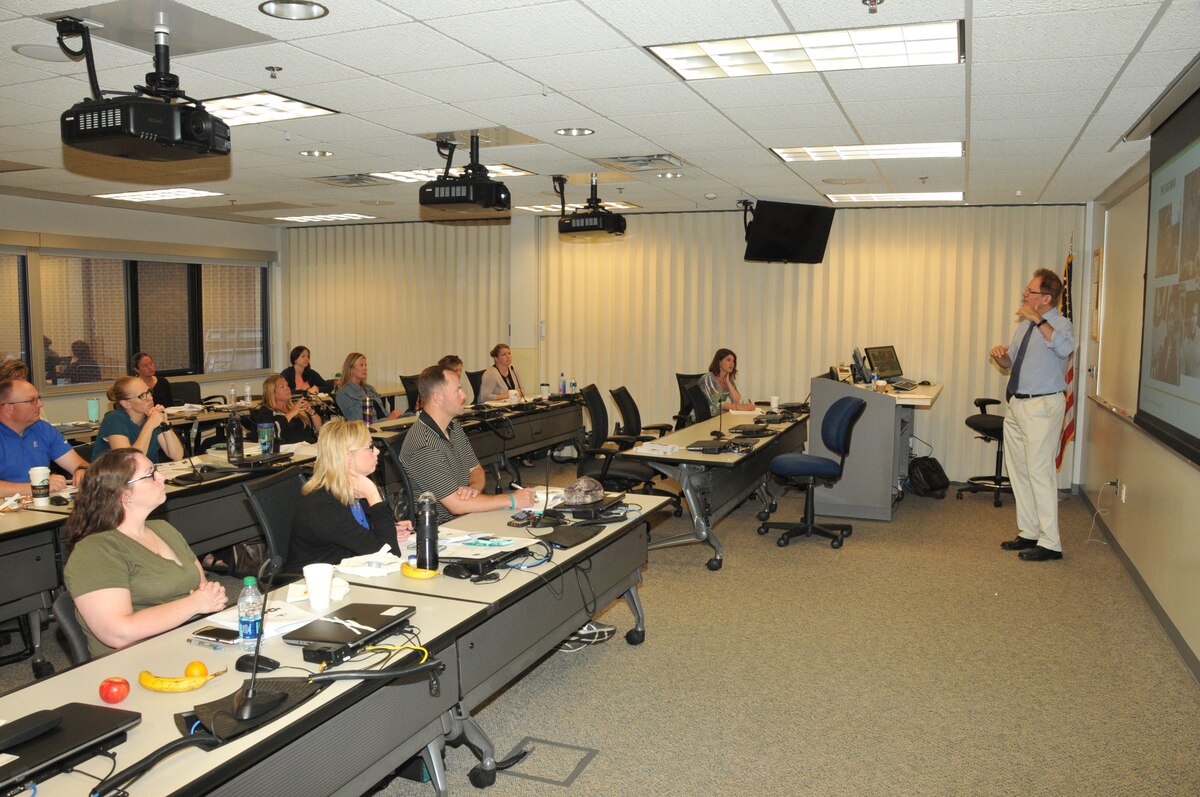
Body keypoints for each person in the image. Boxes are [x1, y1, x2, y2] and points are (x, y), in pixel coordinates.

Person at [401, 365, 615, 650]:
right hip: (443, 535)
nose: (465, 395)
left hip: (467, 519)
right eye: (458, 390)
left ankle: (567, 621)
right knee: (524, 553)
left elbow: (477, 472)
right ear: (438, 398)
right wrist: (512, 499)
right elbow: (452, 504)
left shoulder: (452, 427)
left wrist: (472, 490)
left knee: (541, 540)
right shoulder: (422, 443)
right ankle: (558, 628)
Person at [63, 449, 227, 656]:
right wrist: (195, 603)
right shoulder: (95, 551)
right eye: (150, 474)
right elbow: (117, 633)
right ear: (124, 494)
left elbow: (201, 587)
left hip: (189, 641)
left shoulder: (163, 529)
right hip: (135, 661)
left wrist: (210, 596)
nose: (162, 477)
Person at [991, 268, 1076, 562]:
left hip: (1043, 406)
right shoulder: (1024, 326)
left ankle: (1051, 542)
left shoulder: (1060, 324)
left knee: (1040, 472)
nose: (1024, 295)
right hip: (1018, 403)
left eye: (1030, 291)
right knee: (1020, 471)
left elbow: (1065, 348)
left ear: (1046, 298)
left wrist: (1038, 320)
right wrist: (1001, 355)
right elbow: (1009, 362)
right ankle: (1029, 532)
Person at [286, 420, 412, 570]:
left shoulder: (350, 490)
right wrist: (373, 495)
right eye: (370, 447)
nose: (377, 451)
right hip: (311, 586)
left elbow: (362, 537)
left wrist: (388, 530)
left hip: (342, 575)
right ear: (348, 457)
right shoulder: (323, 507)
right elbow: (389, 557)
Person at [0, 378, 88, 495]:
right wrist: (39, 486)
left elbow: (79, 465)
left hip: (40, 504)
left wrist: (82, 470)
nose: (40, 404)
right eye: (32, 401)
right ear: (8, 408)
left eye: (39, 399)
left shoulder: (42, 428)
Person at [92, 376, 184, 463]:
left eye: (148, 392)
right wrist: (150, 425)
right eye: (142, 396)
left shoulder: (150, 418)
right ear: (126, 404)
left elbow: (177, 456)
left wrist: (165, 424)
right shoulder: (113, 419)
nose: (150, 398)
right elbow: (130, 462)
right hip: (113, 478)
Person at [251, 374, 322, 445]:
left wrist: (312, 413)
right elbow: (267, 436)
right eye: (282, 387)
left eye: (287, 385)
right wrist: (292, 413)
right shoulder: (266, 411)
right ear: (272, 393)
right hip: (286, 451)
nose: (287, 388)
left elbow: (319, 429)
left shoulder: (294, 406)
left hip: (308, 447)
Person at [335, 352, 401, 423]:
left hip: (385, 426)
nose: (365, 368)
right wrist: (388, 420)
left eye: (365, 365)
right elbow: (359, 423)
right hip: (370, 431)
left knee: (410, 416)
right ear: (351, 369)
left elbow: (384, 414)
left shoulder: (369, 389)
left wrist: (395, 417)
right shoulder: (345, 393)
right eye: (361, 365)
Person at [698, 348, 755, 415]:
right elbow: (717, 403)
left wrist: (728, 383)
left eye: (733, 361)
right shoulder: (708, 379)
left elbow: (737, 401)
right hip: (703, 418)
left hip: (718, 417)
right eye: (728, 360)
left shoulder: (728, 380)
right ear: (719, 362)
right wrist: (739, 407)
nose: (732, 364)